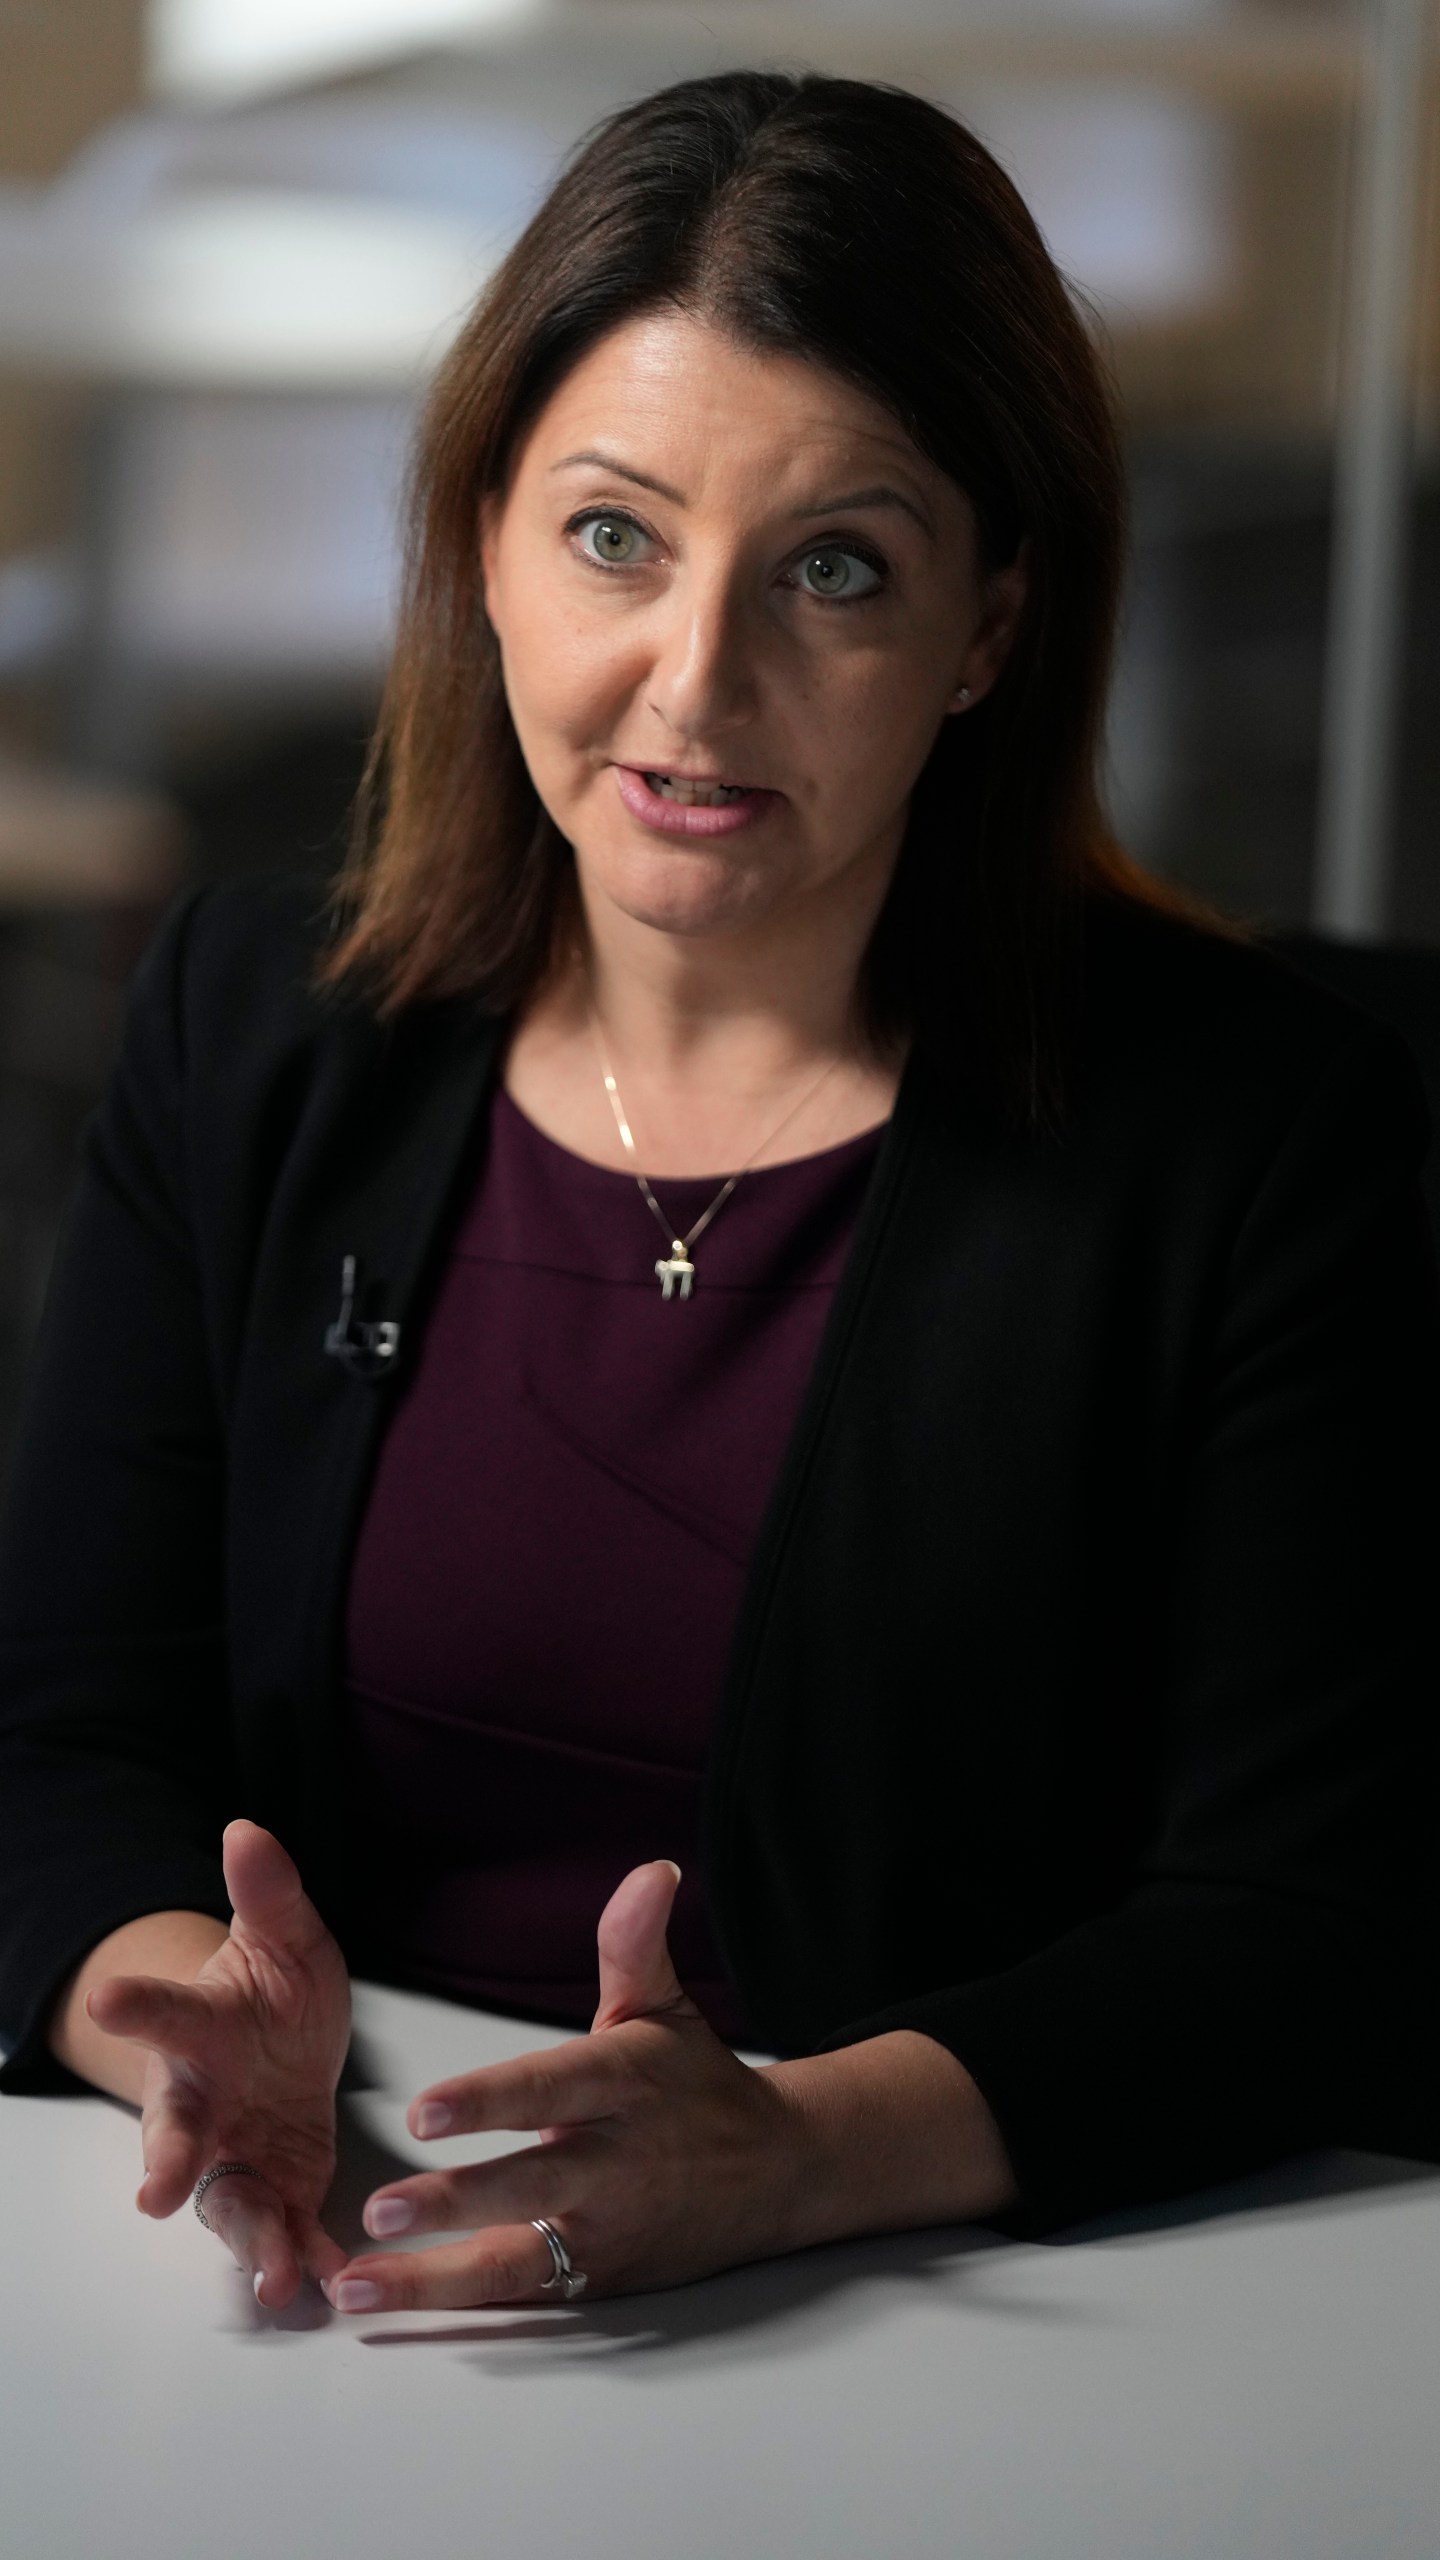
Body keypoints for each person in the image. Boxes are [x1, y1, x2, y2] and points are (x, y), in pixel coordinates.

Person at [0, 70, 1436, 2319]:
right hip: (315, 2282)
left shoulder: (1264, 1143)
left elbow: (1318, 1922)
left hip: (969, 2337)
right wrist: (183, 2015)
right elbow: (61, 1724)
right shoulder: (258, 1027)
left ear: (986, 630)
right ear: (481, 541)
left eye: (836, 569)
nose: (695, 683)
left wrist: (795, 2153)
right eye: (612, 534)